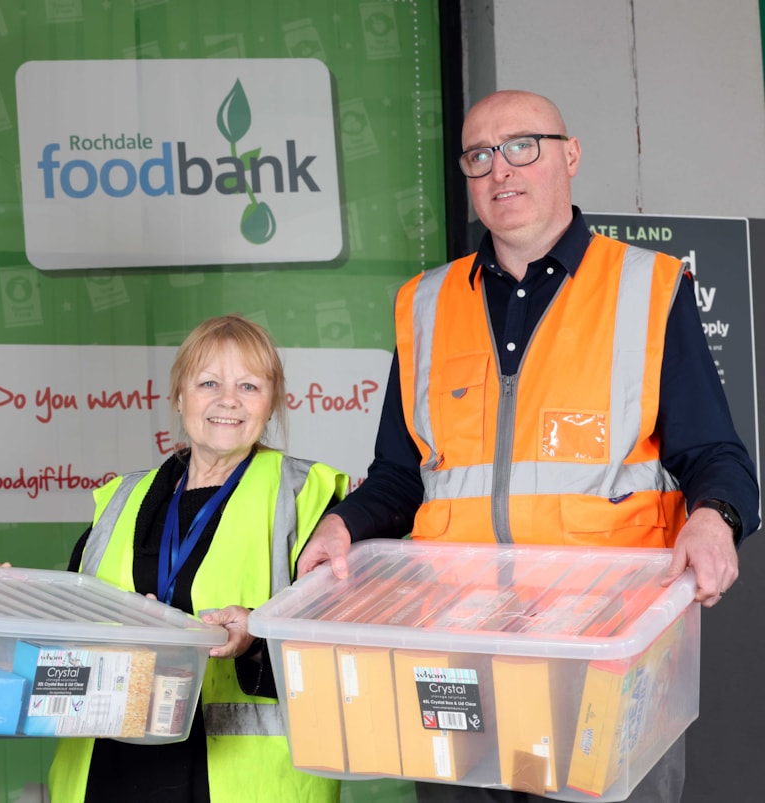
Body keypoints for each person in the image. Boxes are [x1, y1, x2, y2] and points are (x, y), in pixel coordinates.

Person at [296, 89, 759, 803]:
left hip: (603, 657)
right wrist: (342, 524)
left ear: (569, 156)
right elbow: (399, 477)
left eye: (523, 146)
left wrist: (714, 516)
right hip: (456, 661)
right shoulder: (426, 303)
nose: (500, 170)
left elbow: (716, 456)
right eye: (479, 155)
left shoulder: (647, 288)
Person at [49, 314, 349, 803]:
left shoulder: (307, 499)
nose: (227, 400)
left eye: (248, 385)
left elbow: (342, 657)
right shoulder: (122, 499)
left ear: (271, 403)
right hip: (107, 774)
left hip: (242, 784)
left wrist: (256, 637)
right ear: (179, 396)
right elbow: (69, 633)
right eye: (208, 382)